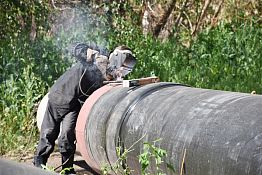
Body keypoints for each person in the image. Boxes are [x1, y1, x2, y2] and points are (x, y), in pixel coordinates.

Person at [33, 43, 136, 175]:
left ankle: (67, 169)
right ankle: (38, 165)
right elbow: (74, 47)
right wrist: (90, 53)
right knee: (49, 133)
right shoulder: (99, 54)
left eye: (125, 70)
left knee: (67, 137)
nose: (121, 73)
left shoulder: (111, 74)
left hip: (74, 103)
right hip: (59, 95)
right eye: (122, 68)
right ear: (116, 58)